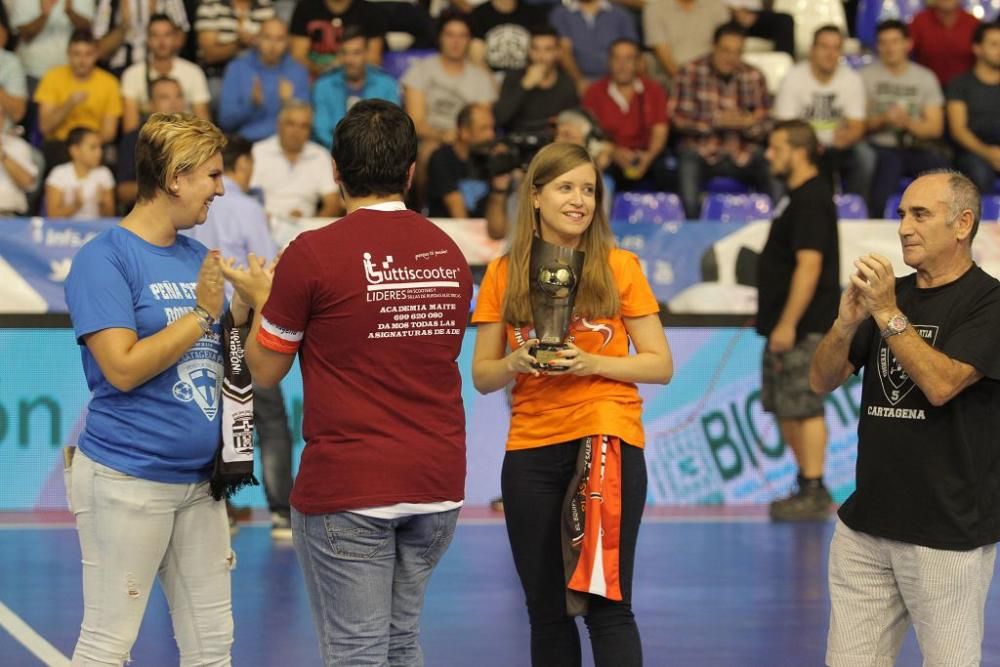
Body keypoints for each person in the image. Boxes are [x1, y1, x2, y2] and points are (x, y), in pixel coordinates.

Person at [221, 99, 472, 666]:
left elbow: (265, 369)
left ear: (335, 172)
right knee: (401, 643)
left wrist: (262, 300)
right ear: (411, 172)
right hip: (437, 483)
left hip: (351, 488)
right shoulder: (449, 255)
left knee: (356, 653)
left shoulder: (311, 255)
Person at [471, 141, 673, 666]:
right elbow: (482, 376)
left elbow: (659, 364)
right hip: (531, 448)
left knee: (607, 605)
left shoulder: (620, 266)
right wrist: (517, 362)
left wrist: (590, 363)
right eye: (566, 188)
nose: (579, 200)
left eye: (588, 190)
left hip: (604, 439)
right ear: (535, 197)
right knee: (545, 610)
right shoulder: (501, 273)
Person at [63, 112, 234, 665]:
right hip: (126, 480)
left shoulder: (193, 257)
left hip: (201, 486)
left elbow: (223, 360)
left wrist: (252, 307)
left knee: (213, 648)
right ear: (176, 177)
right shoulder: (104, 258)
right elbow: (123, 367)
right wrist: (203, 315)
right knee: (107, 646)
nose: (221, 187)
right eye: (212, 174)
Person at [810, 170, 1000, 666]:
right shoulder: (886, 298)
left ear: (962, 224)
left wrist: (887, 314)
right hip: (866, 525)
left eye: (920, 214)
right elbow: (822, 379)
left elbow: (941, 385)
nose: (903, 228)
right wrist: (846, 322)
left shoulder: (990, 303)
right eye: (901, 215)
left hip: (946, 534)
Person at [182, 134, 294, 540]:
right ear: (241, 164)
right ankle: (281, 512)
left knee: (214, 415)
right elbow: (262, 271)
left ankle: (220, 509)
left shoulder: (188, 210)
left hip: (203, 324)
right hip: (245, 324)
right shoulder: (247, 207)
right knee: (271, 420)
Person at [757, 119, 840, 521]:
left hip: (804, 326)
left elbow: (810, 265)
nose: (769, 155)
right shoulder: (795, 197)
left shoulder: (811, 198)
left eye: (776, 147)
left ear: (799, 151)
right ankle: (809, 483)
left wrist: (789, 323)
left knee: (804, 406)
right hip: (787, 325)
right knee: (787, 406)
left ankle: (814, 486)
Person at [671, 21, 774, 220]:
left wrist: (748, 125)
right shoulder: (690, 72)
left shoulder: (754, 76)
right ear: (713, 46)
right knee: (687, 159)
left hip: (744, 152)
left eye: (737, 52)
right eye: (725, 50)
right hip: (701, 151)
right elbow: (677, 118)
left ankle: (780, 224)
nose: (730, 58)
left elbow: (768, 123)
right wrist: (715, 121)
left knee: (774, 162)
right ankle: (691, 228)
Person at [773, 25, 874, 201]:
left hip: (838, 147)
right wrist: (812, 143)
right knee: (783, 153)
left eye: (836, 48)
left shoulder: (852, 79)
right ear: (812, 50)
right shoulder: (793, 77)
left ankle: (855, 210)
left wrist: (848, 136)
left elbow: (857, 125)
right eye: (824, 47)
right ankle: (786, 208)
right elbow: (785, 127)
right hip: (803, 146)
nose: (830, 54)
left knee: (865, 156)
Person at [862, 19, 949, 220]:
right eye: (883, 42)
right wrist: (883, 119)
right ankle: (876, 224)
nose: (889, 48)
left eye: (895, 41)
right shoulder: (865, 76)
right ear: (877, 45)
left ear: (908, 44)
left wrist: (907, 122)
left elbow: (935, 128)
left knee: (943, 174)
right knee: (886, 172)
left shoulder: (925, 77)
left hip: (916, 146)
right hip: (880, 147)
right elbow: (859, 125)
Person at [582, 38, 668, 191]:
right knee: (595, 166)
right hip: (609, 156)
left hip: (647, 156)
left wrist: (648, 156)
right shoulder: (594, 92)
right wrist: (613, 152)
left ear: (639, 62)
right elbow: (588, 133)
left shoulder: (654, 90)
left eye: (629, 59)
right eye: (617, 58)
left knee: (667, 171)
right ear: (609, 62)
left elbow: (660, 130)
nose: (622, 65)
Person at [34, 28, 122, 169]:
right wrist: (69, 104)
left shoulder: (109, 83)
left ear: (96, 55)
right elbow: (45, 127)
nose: (82, 61)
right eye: (77, 54)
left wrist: (85, 147)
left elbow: (109, 132)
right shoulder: (52, 77)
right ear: (68, 54)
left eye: (88, 54)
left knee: (108, 155)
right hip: (60, 144)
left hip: (95, 145)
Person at [218, 17, 310, 142]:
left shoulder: (298, 72)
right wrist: (251, 105)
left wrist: (288, 104)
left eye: (279, 39)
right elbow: (226, 122)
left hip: (285, 145)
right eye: (267, 38)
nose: (273, 45)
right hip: (248, 143)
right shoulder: (237, 68)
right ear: (257, 39)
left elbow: (306, 123)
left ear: (288, 42)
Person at [310, 25, 399, 150]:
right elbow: (322, 131)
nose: (349, 60)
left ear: (367, 53)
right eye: (344, 53)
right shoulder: (323, 85)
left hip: (377, 155)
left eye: (356, 53)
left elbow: (392, 129)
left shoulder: (387, 84)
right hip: (333, 153)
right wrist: (347, 154)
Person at [250, 98, 342, 218]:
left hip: (307, 229)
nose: (296, 132)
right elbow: (246, 198)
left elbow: (333, 203)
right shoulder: (258, 152)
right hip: (264, 226)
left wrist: (311, 229)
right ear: (279, 125)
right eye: (291, 124)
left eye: (303, 126)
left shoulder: (320, 156)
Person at [120, 14, 211, 133]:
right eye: (155, 35)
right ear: (147, 40)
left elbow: (204, 124)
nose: (162, 42)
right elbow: (130, 129)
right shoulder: (132, 75)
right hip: (149, 140)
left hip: (187, 138)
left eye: (167, 35)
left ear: (176, 38)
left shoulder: (194, 72)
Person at [493, 24, 579, 137]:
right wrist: (525, 85)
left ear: (557, 53)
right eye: (535, 49)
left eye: (548, 49)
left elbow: (572, 123)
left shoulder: (566, 82)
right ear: (529, 51)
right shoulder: (513, 77)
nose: (541, 56)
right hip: (518, 142)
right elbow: (500, 118)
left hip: (553, 145)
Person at [946, 21, 1000, 197]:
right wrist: (990, 153)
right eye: (994, 44)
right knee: (979, 172)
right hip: (973, 152)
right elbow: (958, 130)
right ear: (977, 48)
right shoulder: (960, 84)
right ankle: (980, 223)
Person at [117, 76, 185, 211]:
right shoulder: (134, 140)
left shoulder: (196, 140)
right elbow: (123, 192)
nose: (174, 103)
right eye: (165, 97)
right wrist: (165, 187)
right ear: (150, 105)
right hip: (146, 219)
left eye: (179, 96)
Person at [549, 0, 639, 95]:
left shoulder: (620, 14)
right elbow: (564, 52)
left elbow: (631, 52)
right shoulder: (560, 14)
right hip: (575, 81)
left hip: (616, 80)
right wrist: (579, 80)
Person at [427, 103, 496, 218]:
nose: (491, 135)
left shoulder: (490, 159)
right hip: (451, 231)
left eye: (492, 128)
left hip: (487, 231)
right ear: (464, 132)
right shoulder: (442, 158)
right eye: (484, 129)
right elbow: (457, 211)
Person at [288, 0, 386, 78]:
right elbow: (298, 58)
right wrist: (327, 69)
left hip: (359, 81)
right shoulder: (305, 8)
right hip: (314, 80)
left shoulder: (370, 11)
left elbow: (373, 60)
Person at [92, 0, 189, 73]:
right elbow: (101, 51)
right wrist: (124, 25)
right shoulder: (109, 2)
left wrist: (155, 27)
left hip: (159, 68)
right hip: (121, 67)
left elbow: (179, 38)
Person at [643, 0, 730, 80]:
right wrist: (687, 83)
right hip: (670, 77)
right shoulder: (655, 8)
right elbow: (665, 58)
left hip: (711, 75)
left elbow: (726, 47)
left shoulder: (717, 7)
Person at [45, 125, 114, 217]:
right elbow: (52, 215)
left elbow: (110, 216)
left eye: (100, 147)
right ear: (75, 150)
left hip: (97, 229)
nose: (99, 152)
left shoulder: (104, 173)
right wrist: (75, 206)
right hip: (65, 230)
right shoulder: (59, 173)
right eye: (93, 147)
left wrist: (101, 204)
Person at [909, 0, 980, 88]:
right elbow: (905, 51)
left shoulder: (973, 23)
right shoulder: (919, 22)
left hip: (966, 89)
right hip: (926, 88)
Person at [0, 110, 39, 215]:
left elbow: (28, 183)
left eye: (1, 114)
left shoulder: (18, 145)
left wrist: (3, 156)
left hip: (8, 216)